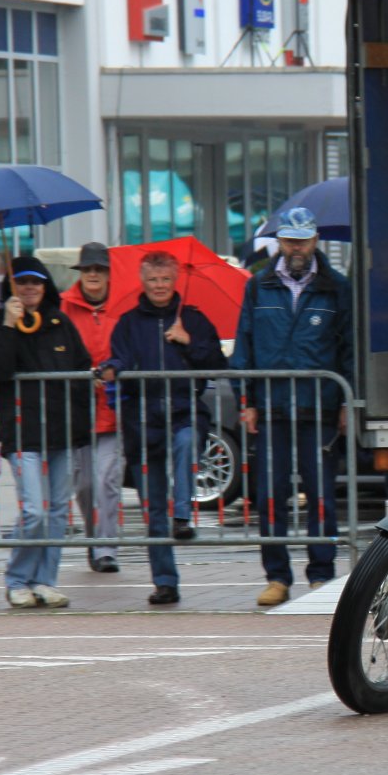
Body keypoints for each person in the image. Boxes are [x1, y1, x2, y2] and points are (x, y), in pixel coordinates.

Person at [230, 206, 353, 608]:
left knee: (321, 497)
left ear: (315, 240)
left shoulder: (336, 287)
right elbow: (244, 345)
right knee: (270, 496)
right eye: (289, 240)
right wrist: (245, 400)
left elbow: (348, 348)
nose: (296, 248)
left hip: (320, 407)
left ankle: (321, 575)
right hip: (271, 407)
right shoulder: (257, 286)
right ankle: (277, 577)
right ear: (279, 242)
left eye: (302, 240)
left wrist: (347, 400)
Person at [104, 250, 227, 605]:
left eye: (165, 279)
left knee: (186, 442)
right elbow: (120, 358)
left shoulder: (193, 319)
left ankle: (183, 515)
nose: (159, 286)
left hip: (185, 412)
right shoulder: (128, 323)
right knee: (153, 507)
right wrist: (111, 368)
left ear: (175, 281)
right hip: (143, 422)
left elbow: (217, 362)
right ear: (143, 282)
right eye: (153, 280)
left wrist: (189, 342)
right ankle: (165, 581)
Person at [0, 256, 93, 608]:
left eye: (36, 282)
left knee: (57, 510)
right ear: (11, 286)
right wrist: (9, 327)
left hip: (62, 431)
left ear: (45, 286)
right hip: (23, 433)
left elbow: (81, 368)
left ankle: (45, 580)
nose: (29, 288)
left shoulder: (60, 322)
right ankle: (17, 579)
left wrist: (79, 421)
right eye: (22, 281)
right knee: (34, 511)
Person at [60, 241, 125, 574]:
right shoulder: (63, 308)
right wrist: (83, 374)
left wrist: (115, 368)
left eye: (99, 269)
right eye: (88, 269)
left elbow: (129, 349)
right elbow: (59, 353)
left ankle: (106, 548)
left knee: (107, 480)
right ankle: (93, 538)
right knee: (84, 486)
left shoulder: (123, 307)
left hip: (113, 410)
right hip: (78, 411)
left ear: (109, 274)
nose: (93, 274)